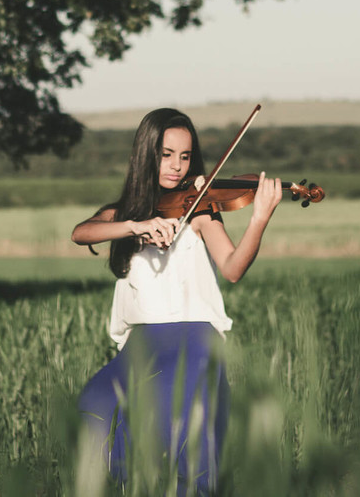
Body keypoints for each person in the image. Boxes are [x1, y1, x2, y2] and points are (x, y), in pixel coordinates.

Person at [72, 107, 282, 495]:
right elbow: (82, 232)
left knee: (180, 440)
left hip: (191, 339)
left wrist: (259, 220)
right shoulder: (125, 215)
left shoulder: (199, 208)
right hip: (140, 345)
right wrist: (136, 226)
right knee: (95, 405)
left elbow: (233, 268)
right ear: (146, 153)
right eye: (166, 154)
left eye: (185, 156)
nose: (177, 166)